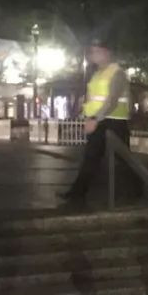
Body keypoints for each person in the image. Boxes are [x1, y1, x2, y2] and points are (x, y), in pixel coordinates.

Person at [61, 39, 131, 202]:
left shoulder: (117, 73)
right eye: (92, 52)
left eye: (97, 51)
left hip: (114, 121)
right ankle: (77, 193)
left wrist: (94, 119)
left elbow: (112, 101)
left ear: (107, 52)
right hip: (100, 120)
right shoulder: (97, 73)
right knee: (91, 157)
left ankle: (140, 189)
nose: (93, 55)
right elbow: (94, 98)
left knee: (124, 159)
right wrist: (84, 111)